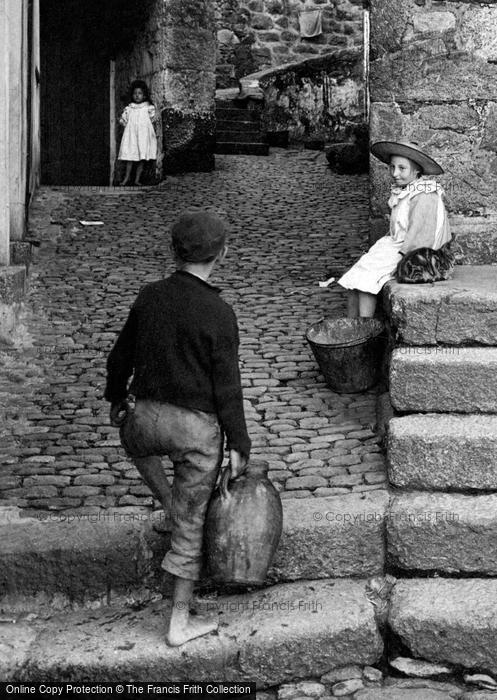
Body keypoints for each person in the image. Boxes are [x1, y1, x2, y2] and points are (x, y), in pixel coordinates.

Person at [104, 210, 251, 647]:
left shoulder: (149, 296)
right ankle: (180, 620)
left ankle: (166, 500)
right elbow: (227, 388)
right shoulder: (220, 312)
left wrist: (117, 400)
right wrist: (239, 444)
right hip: (194, 431)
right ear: (222, 254)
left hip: (145, 419)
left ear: (173, 252)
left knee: (134, 440)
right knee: (191, 522)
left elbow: (118, 358)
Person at [338, 140, 451, 317]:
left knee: (367, 278)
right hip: (395, 244)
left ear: (417, 170)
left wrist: (402, 256)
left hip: (416, 252)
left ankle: (365, 329)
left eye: (402, 168)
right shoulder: (407, 190)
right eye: (392, 167)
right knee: (355, 276)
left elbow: (422, 234)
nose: (395, 173)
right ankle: (351, 326)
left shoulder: (425, 194)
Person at [118, 80, 157, 186]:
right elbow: (123, 121)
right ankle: (126, 178)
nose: (137, 96)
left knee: (141, 158)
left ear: (144, 96)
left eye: (139, 93)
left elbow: (152, 120)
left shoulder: (148, 108)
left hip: (143, 136)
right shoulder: (129, 108)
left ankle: (137, 179)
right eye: (135, 93)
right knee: (130, 157)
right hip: (132, 136)